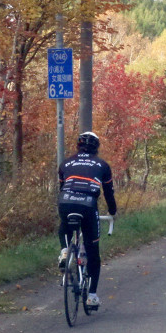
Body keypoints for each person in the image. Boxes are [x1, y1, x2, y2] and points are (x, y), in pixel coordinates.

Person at [58, 131, 116, 309]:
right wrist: (113, 212)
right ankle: (91, 296)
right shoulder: (102, 165)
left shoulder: (65, 163)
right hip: (88, 205)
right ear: (96, 147)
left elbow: (62, 187)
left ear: (78, 145)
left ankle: (65, 250)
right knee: (93, 251)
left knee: (64, 226)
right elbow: (108, 193)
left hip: (65, 202)